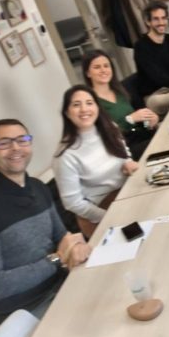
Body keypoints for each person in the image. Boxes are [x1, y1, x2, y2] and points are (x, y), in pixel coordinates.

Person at [0, 119, 91, 328]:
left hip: (62, 284)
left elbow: (60, 235)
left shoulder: (37, 187)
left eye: (22, 140)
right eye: (4, 143)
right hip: (24, 311)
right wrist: (55, 260)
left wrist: (76, 245)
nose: (16, 148)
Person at [53, 85, 138, 238]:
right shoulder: (65, 155)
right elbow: (72, 203)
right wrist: (108, 216)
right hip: (99, 211)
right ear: (67, 113)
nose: (84, 109)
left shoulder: (110, 128)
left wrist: (127, 163)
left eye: (89, 103)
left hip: (127, 194)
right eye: (76, 104)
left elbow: (125, 154)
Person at [82, 49, 158, 160]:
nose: (103, 70)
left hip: (141, 136)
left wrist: (149, 123)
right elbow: (105, 135)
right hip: (124, 148)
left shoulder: (120, 91)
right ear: (88, 73)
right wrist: (129, 119)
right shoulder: (90, 102)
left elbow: (138, 124)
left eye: (106, 66)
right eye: (97, 67)